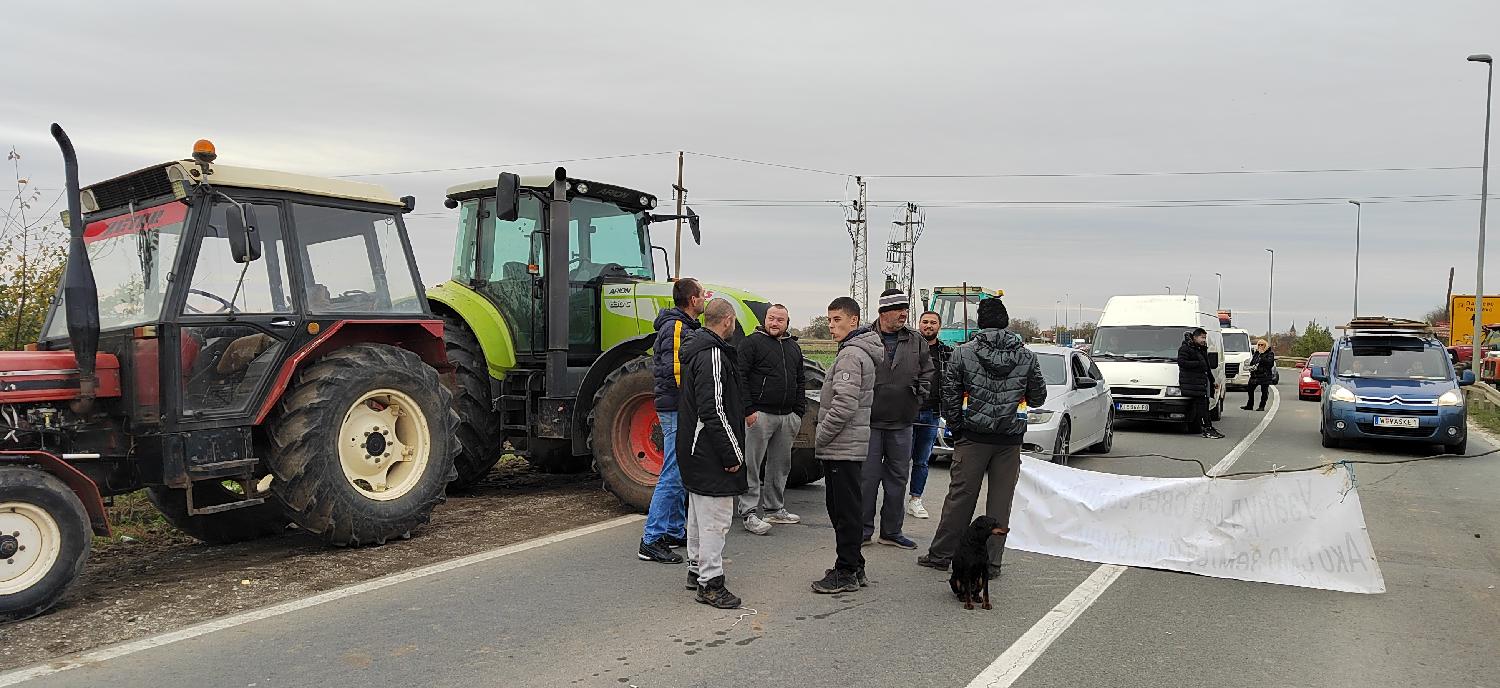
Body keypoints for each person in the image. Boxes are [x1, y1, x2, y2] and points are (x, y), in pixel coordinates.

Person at [917, 297, 1045, 578]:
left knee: (960, 499)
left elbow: (950, 394)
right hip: (1009, 440)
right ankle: (992, 563)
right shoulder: (1026, 356)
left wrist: (957, 428)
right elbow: (1038, 397)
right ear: (1006, 323)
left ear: (980, 323)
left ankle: (941, 555)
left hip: (972, 437)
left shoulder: (963, 353)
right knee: (1000, 503)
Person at [675, 299, 749, 608]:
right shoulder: (713, 354)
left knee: (698, 515)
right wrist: (732, 453)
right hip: (708, 449)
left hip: (694, 447)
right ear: (728, 320)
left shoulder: (696, 349)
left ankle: (696, 569)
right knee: (715, 520)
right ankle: (710, 583)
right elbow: (714, 409)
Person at [811, 296, 884, 594]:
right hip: (846, 445)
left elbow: (844, 405)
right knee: (846, 509)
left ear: (853, 320)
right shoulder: (855, 350)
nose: (831, 326)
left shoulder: (851, 355)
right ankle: (855, 564)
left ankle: (846, 571)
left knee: (844, 511)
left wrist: (821, 435)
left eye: (837, 320)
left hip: (842, 445)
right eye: (829, 320)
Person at [638, 278, 706, 565]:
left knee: (678, 470)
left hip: (677, 407)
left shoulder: (683, 325)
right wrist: (692, 405)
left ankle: (674, 530)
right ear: (693, 300)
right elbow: (677, 372)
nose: (704, 299)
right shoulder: (677, 327)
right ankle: (651, 539)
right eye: (702, 295)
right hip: (676, 407)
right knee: (673, 472)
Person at [861, 289, 934, 550]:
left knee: (898, 479)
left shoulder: (916, 340)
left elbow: (927, 371)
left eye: (905, 309)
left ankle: (891, 532)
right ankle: (862, 531)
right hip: (869, 422)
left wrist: (916, 399)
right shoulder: (864, 338)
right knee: (867, 480)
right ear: (883, 312)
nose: (904, 314)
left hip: (902, 423)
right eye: (898, 309)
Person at [736, 303, 806, 534]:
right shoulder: (751, 343)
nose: (774, 323)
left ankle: (774, 508)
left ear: (787, 323)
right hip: (759, 416)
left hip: (787, 417)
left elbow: (800, 380)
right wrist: (748, 410)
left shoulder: (793, 347)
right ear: (765, 320)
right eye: (771, 318)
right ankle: (748, 513)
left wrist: (798, 412)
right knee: (751, 465)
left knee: (780, 465)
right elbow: (740, 377)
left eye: (779, 320)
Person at [907, 310, 951, 520]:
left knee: (922, 461)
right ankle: (894, 499)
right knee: (899, 460)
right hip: (907, 413)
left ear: (939, 326)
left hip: (932, 414)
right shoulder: (908, 349)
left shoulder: (947, 353)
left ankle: (915, 499)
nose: (928, 325)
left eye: (933, 322)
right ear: (919, 324)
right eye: (925, 322)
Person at [1178, 328, 1224, 439]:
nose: (1204, 340)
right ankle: (1207, 429)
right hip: (1192, 383)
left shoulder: (1201, 349)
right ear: (1195, 337)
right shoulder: (1185, 348)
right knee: (1202, 408)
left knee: (1204, 407)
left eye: (1205, 338)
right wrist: (1198, 364)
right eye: (1202, 337)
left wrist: (1212, 381)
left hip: (1201, 383)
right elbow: (1182, 362)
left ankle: (1207, 428)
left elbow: (1207, 367)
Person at [1241, 339, 1276, 411]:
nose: (1260, 346)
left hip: (1265, 375)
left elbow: (1270, 363)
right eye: (1259, 345)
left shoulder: (1270, 353)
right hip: (1255, 375)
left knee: (1264, 391)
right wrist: (1251, 367)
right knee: (1250, 389)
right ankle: (1250, 405)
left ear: (1265, 345)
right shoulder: (1256, 353)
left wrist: (1262, 355)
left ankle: (1262, 406)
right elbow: (1252, 362)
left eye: (1262, 345)